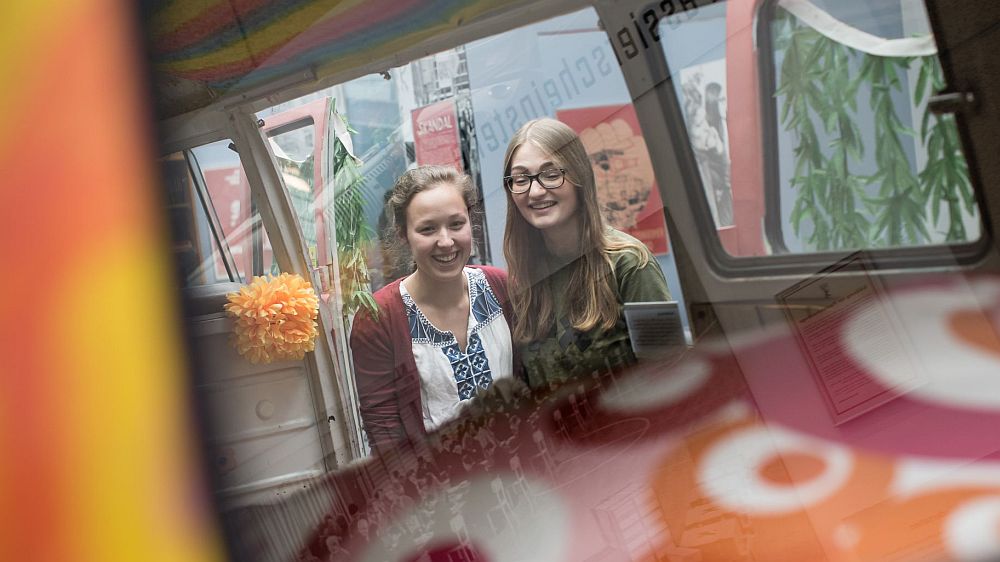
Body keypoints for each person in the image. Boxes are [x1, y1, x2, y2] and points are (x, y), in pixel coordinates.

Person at [350, 165, 517, 454]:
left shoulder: (500, 287)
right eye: (428, 229)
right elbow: (385, 433)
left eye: (456, 224)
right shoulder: (379, 318)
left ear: (470, 223)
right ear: (404, 235)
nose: (446, 241)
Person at [502, 118, 671, 389]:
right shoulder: (524, 277)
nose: (535, 191)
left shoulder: (631, 264)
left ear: (579, 176)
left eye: (551, 174)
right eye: (521, 179)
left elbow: (672, 374)